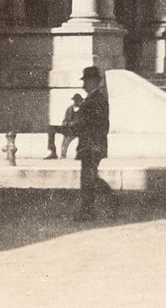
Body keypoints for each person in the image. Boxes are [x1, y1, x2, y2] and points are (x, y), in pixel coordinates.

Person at [69, 65, 115, 220]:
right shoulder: (93, 98)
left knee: (88, 179)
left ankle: (88, 211)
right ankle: (101, 204)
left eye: (86, 81)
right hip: (90, 144)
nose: (83, 85)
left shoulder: (97, 99)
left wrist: (77, 126)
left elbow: (98, 124)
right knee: (89, 178)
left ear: (94, 81)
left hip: (92, 145)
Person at [47, 92, 83, 159]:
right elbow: (65, 120)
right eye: (76, 101)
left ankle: (79, 153)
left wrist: (73, 123)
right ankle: (53, 152)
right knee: (51, 128)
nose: (77, 102)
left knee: (67, 141)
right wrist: (65, 123)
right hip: (68, 128)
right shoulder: (70, 109)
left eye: (78, 101)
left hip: (78, 130)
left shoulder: (84, 109)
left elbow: (82, 121)